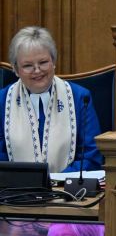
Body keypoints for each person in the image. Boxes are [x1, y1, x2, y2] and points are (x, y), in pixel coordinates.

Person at [0, 26, 103, 173]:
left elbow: (91, 157)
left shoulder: (80, 98)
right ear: (16, 70)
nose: (37, 70)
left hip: (69, 191)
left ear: (53, 62)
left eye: (43, 62)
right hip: (16, 192)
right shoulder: (3, 101)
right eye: (28, 65)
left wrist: (53, 184)